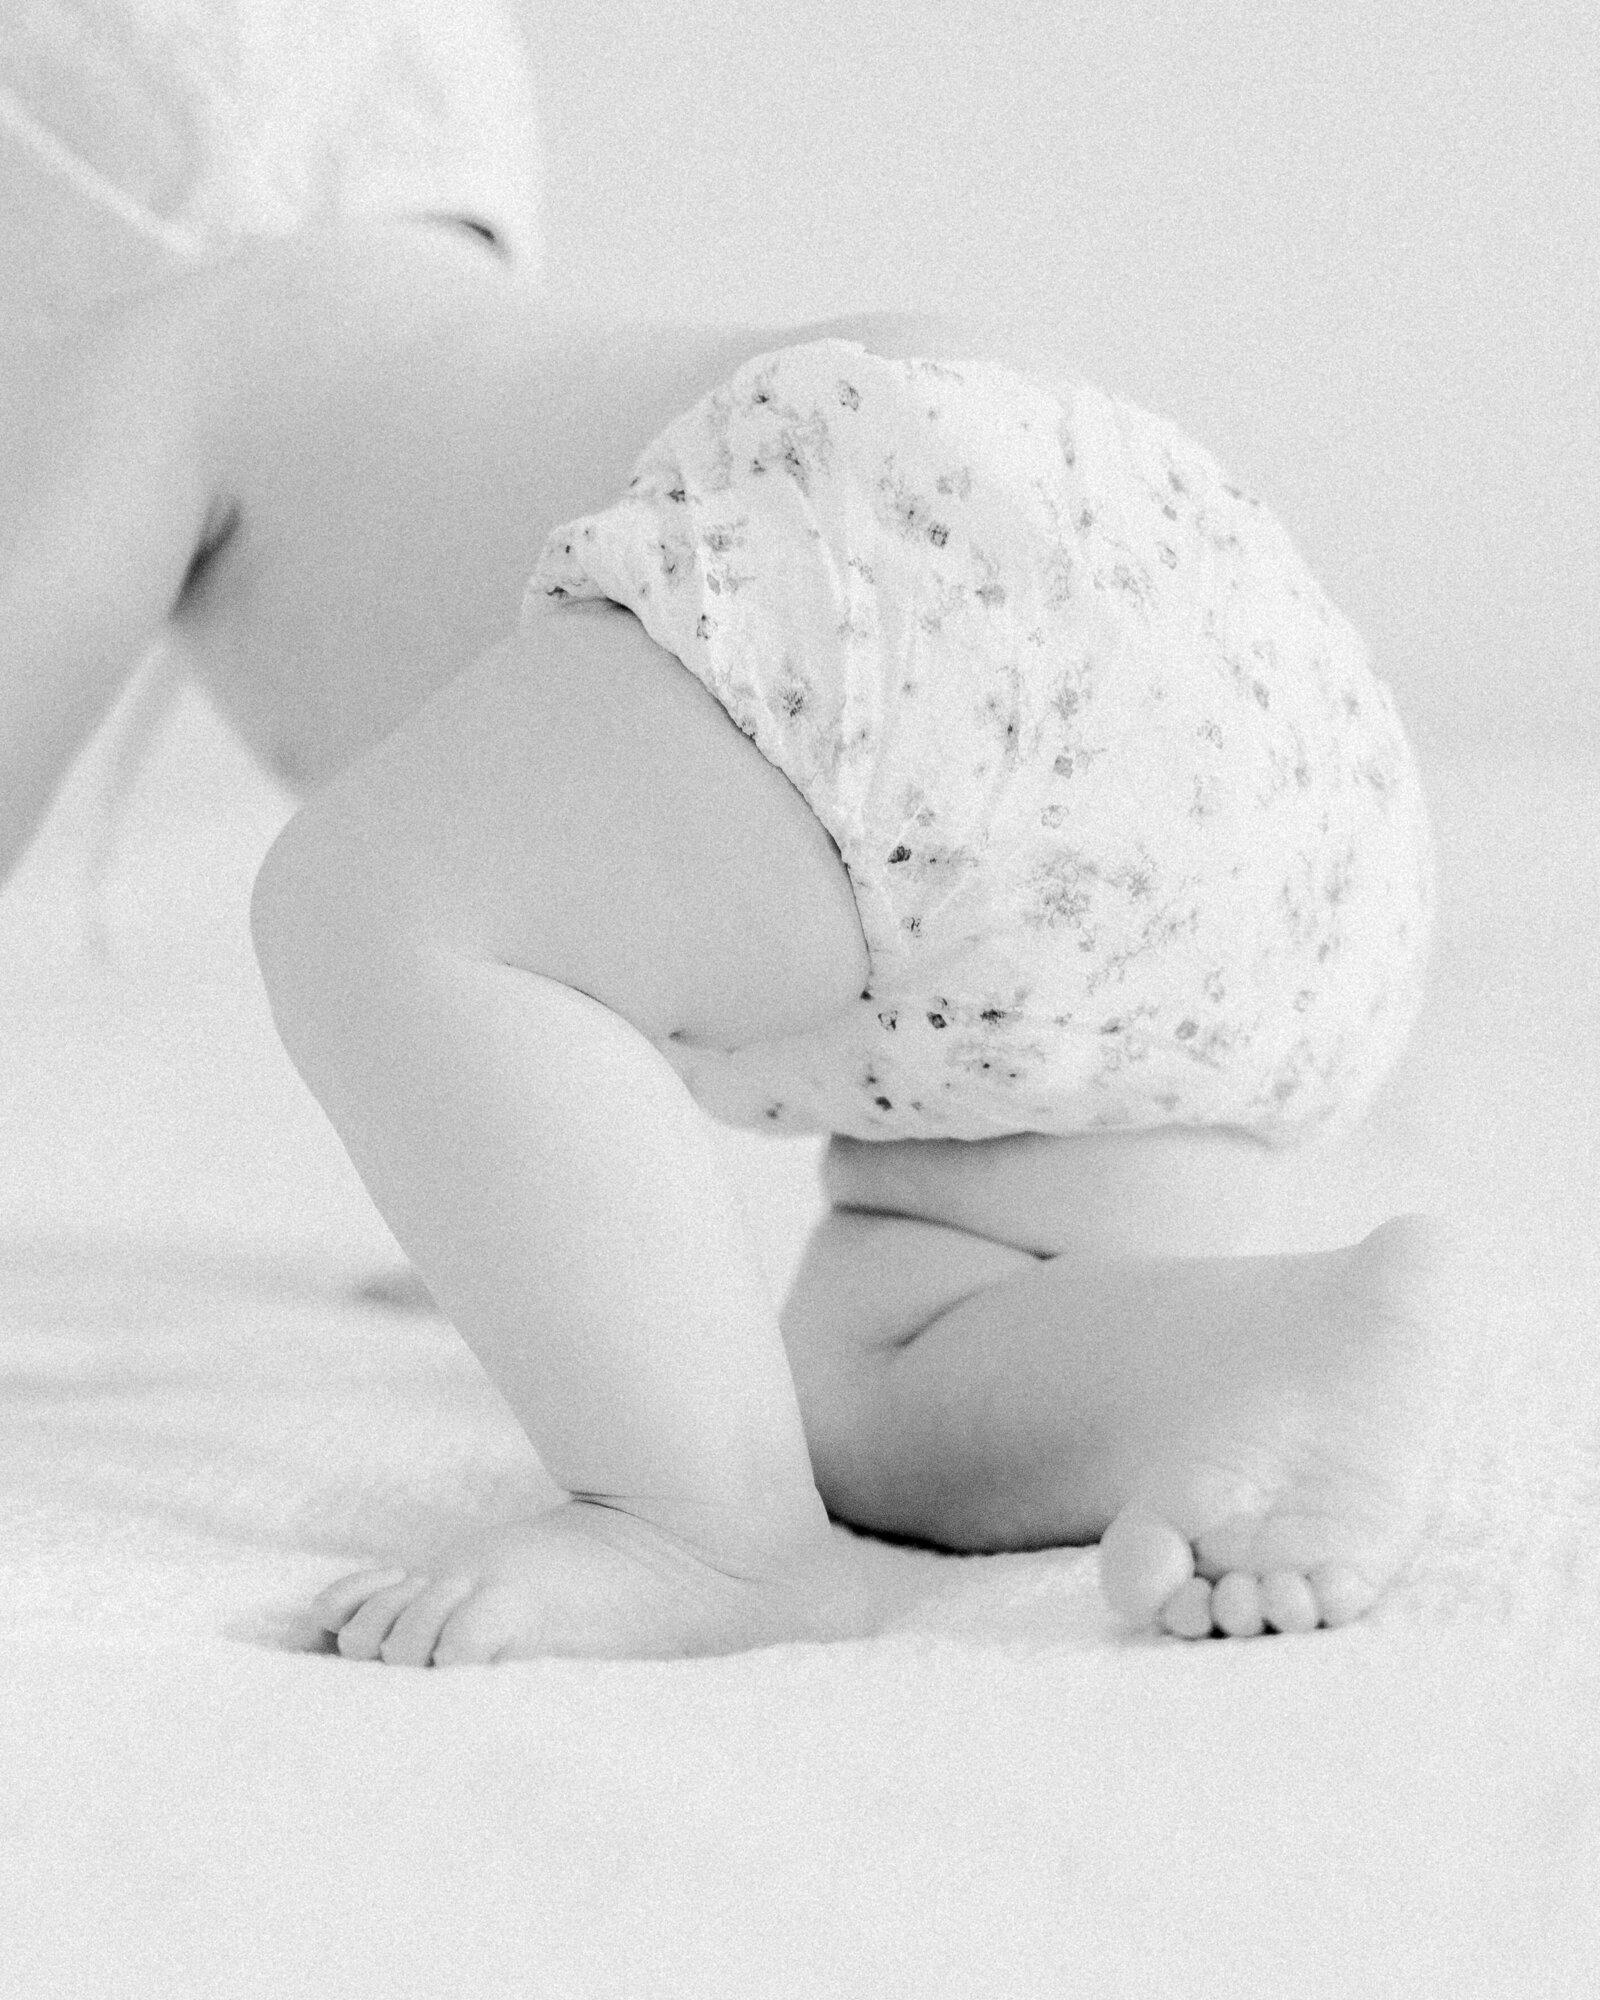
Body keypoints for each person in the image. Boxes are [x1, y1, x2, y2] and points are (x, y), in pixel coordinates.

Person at [0, 217, 1458, 1662]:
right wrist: (506, 1219)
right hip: (1267, 782)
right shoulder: (413, 352)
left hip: (935, 581)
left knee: (364, 907)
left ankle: (704, 1529)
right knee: (879, 1382)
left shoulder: (166, 337)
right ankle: (1272, 1344)